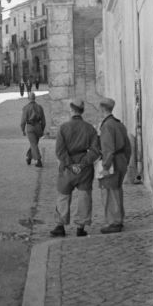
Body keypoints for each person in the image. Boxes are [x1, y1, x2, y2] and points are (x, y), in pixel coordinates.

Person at [50, 99, 100, 238]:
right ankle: (80, 228)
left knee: (63, 196)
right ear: (82, 112)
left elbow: (60, 151)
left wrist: (70, 164)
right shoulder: (90, 128)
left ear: (71, 111)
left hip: (67, 168)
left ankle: (60, 226)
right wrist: (82, 164)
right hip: (84, 170)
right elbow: (96, 151)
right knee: (84, 197)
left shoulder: (63, 128)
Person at [97, 98, 132, 234]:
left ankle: (114, 222)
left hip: (112, 162)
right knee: (117, 190)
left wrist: (105, 167)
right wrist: (126, 160)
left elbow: (108, 149)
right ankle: (118, 219)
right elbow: (128, 146)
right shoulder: (119, 124)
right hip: (121, 160)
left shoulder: (107, 126)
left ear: (102, 109)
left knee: (110, 191)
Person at [20, 92, 46, 167]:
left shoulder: (26, 108)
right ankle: (29, 157)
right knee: (34, 144)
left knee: (33, 144)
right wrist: (42, 129)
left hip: (30, 127)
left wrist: (22, 130)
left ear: (28, 98)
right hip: (38, 127)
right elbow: (43, 121)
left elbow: (23, 121)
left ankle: (38, 161)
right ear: (35, 98)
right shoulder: (40, 107)